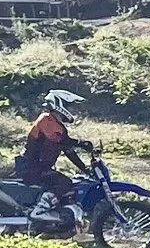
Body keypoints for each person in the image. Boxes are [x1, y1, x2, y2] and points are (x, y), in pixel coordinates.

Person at [15, 89, 95, 229]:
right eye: (69, 106)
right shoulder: (46, 119)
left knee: (71, 185)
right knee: (64, 183)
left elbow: (68, 151)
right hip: (32, 167)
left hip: (38, 167)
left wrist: (85, 169)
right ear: (59, 104)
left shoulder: (59, 127)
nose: (71, 110)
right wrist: (80, 143)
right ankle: (39, 211)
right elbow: (62, 141)